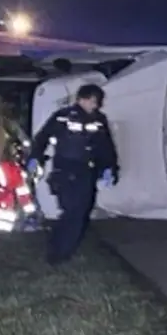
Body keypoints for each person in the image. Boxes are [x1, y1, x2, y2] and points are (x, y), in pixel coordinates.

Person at [29, 82, 118, 264]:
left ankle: (60, 250)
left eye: (96, 102)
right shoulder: (63, 117)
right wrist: (35, 158)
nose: (95, 105)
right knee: (72, 212)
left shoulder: (99, 120)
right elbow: (42, 138)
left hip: (86, 172)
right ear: (81, 99)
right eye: (92, 101)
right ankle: (58, 253)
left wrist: (109, 168)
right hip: (65, 171)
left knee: (80, 212)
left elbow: (106, 147)